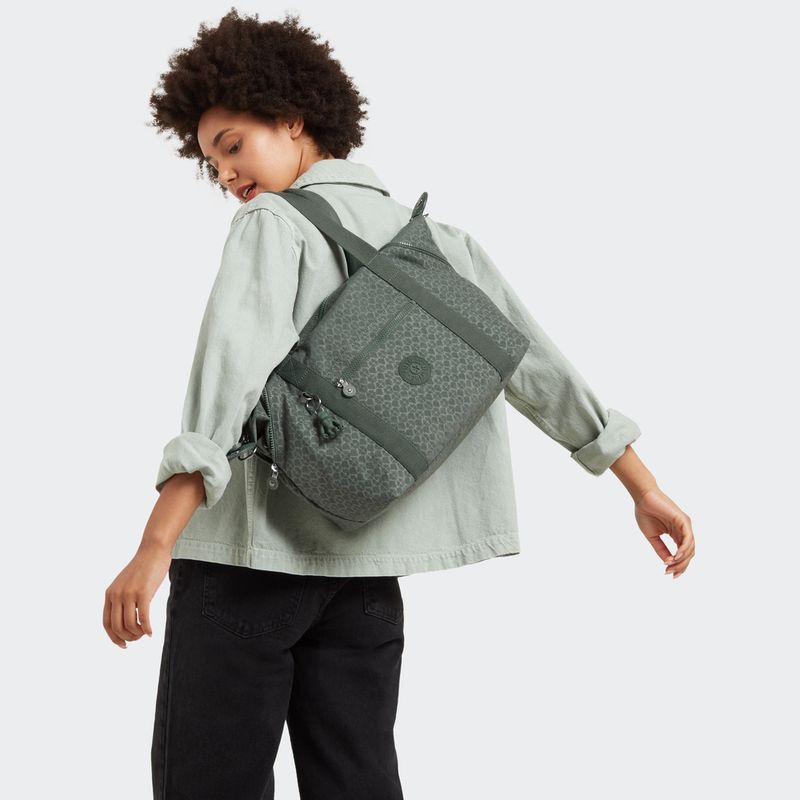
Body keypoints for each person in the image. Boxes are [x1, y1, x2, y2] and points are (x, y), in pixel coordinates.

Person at [102, 9, 696, 800]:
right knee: (359, 783)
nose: (227, 176)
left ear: (292, 117)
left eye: (233, 146)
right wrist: (641, 485)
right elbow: (535, 365)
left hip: (249, 564)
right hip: (367, 575)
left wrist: (155, 544)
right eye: (212, 164)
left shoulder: (271, 223)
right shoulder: (440, 242)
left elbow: (225, 385)